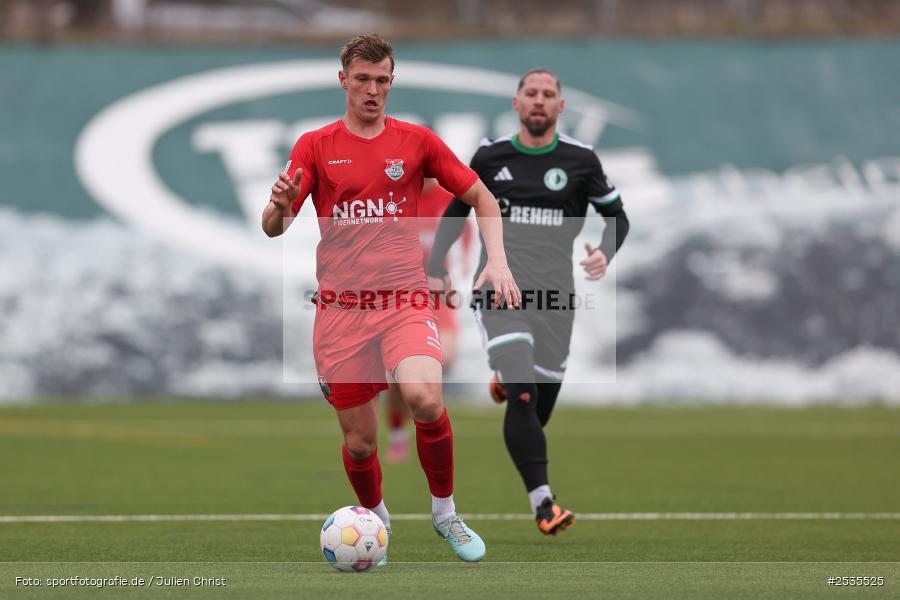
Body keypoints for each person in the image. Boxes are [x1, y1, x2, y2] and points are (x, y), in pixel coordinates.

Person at [261, 33, 519, 563]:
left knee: (425, 397)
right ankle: (375, 521)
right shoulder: (315, 146)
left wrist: (497, 261)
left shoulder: (417, 142)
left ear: (391, 81)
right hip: (340, 312)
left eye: (382, 80)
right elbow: (274, 226)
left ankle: (446, 514)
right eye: (363, 80)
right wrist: (280, 206)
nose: (373, 90)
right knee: (360, 442)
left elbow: (482, 196)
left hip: (404, 300)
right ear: (344, 81)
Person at [426, 68, 629, 536]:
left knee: (536, 409)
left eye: (549, 95)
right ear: (516, 104)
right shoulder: (490, 156)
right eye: (531, 93)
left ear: (561, 106)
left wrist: (604, 252)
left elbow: (617, 217)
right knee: (522, 392)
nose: (539, 100)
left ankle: (505, 379)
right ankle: (544, 504)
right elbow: (457, 207)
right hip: (500, 292)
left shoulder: (581, 160)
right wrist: (436, 267)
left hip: (557, 299)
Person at [384, 179, 474, 463]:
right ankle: (398, 436)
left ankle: (426, 417)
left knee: (446, 356)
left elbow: (466, 238)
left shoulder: (449, 200)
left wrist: (458, 273)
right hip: (402, 293)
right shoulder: (394, 198)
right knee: (398, 377)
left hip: (437, 292)